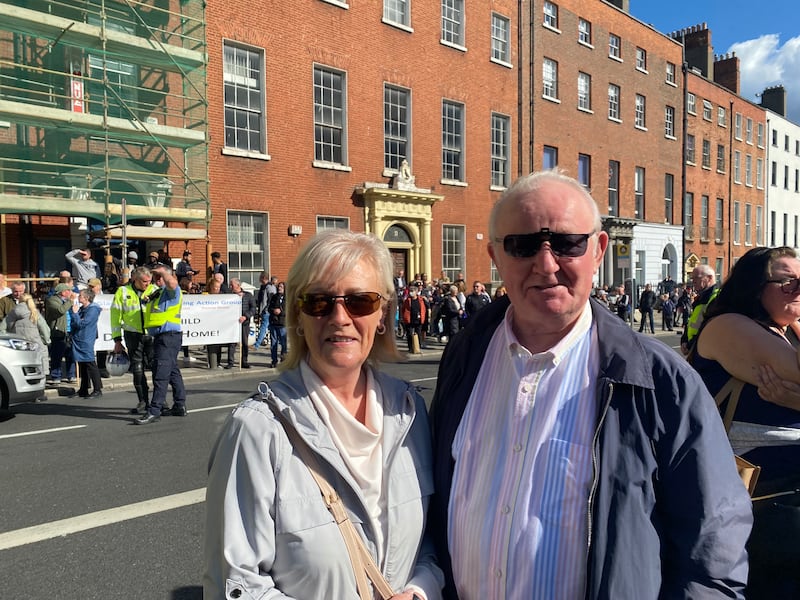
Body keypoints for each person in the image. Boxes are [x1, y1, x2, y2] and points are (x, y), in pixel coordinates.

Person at [428, 170, 752, 599]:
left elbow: (712, 552)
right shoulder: (464, 357)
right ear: (495, 256)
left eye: (566, 243)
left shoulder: (662, 380)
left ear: (598, 250)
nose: (546, 264)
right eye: (522, 245)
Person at [204, 229, 443, 599]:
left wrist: (420, 589)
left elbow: (429, 540)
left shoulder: (409, 411)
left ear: (382, 315)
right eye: (319, 301)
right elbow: (236, 585)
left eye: (360, 301)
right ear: (298, 315)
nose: (340, 317)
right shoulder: (256, 429)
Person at [689, 246, 800, 597]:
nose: (799, 290)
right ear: (755, 287)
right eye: (789, 283)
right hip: (762, 500)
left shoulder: (788, 330)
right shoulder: (729, 326)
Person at [135, 264, 187, 424]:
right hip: (163, 337)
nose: (157, 279)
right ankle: (180, 405)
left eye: (160, 277)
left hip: (168, 337)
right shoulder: (159, 293)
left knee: (161, 374)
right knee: (172, 372)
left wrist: (164, 272)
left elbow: (173, 284)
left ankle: (154, 410)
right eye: (156, 277)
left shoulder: (172, 291)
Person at [111, 266, 160, 414]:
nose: (147, 284)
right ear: (135, 279)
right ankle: (143, 401)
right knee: (137, 369)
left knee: (157, 367)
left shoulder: (154, 290)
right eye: (144, 281)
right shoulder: (123, 292)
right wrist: (117, 339)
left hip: (151, 334)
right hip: (132, 334)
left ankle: (159, 400)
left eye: (149, 281)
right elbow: (115, 315)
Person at [0, 292, 50, 377]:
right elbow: (45, 329)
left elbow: (2, 328)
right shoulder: (34, 313)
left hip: (18, 344)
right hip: (36, 343)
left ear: (19, 301)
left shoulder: (12, 312)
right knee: (39, 365)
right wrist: (46, 340)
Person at [69, 289, 102, 399]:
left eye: (81, 296)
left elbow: (82, 324)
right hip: (78, 338)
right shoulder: (82, 309)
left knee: (90, 363)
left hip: (86, 338)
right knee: (82, 364)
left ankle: (97, 389)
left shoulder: (93, 310)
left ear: (87, 298)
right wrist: (75, 315)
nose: (79, 297)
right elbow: (74, 323)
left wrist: (75, 314)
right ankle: (84, 389)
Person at [681, 264, 718, 354]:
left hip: (705, 351)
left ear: (709, 278)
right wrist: (684, 340)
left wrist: (690, 345)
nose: (693, 281)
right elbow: (691, 322)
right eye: (692, 278)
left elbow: (708, 327)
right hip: (696, 349)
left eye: (696, 278)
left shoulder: (716, 297)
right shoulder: (701, 297)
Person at [45, 282, 77, 385]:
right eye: (68, 290)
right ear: (63, 292)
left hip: (69, 331)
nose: (70, 292)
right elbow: (60, 310)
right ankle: (56, 376)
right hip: (58, 332)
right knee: (57, 356)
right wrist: (71, 301)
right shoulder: (51, 301)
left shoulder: (68, 301)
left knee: (70, 355)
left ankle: (71, 375)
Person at [226, 278, 255, 369]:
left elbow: (253, 308)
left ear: (238, 285)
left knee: (244, 342)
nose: (230, 287)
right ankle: (230, 362)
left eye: (232, 285)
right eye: (230, 285)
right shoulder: (229, 295)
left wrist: (246, 316)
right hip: (233, 323)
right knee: (232, 343)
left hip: (244, 322)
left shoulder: (248, 295)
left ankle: (244, 361)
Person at [253, 272, 277, 350]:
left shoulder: (269, 287)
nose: (259, 279)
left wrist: (267, 308)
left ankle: (257, 344)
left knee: (263, 327)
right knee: (267, 327)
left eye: (260, 278)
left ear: (263, 278)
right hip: (264, 310)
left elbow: (271, 298)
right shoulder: (264, 287)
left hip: (267, 311)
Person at [401, 284, 427, 354]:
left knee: (418, 333)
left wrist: (422, 317)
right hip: (409, 319)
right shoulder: (407, 300)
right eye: (410, 291)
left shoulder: (420, 300)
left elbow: (423, 309)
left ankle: (417, 347)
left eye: (412, 291)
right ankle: (410, 348)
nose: (411, 292)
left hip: (418, 319)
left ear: (416, 292)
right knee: (409, 334)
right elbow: (403, 309)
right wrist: (404, 317)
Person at [267, 281, 287, 368]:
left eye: (281, 287)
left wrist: (281, 312)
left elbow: (290, 310)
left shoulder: (288, 298)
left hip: (283, 324)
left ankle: (284, 359)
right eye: (278, 287)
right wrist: (273, 311)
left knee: (283, 343)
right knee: (273, 343)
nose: (279, 288)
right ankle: (274, 361)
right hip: (273, 323)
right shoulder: (274, 297)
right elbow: (269, 308)